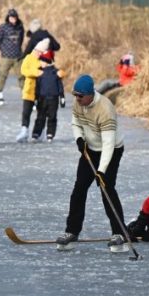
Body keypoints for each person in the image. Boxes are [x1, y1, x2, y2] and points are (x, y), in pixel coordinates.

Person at [55, 75, 128, 251]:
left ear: (89, 94)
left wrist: (101, 171)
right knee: (79, 189)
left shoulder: (105, 108)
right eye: (75, 95)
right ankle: (72, 231)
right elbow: (75, 123)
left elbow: (109, 144)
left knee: (107, 189)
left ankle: (120, 234)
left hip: (111, 150)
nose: (77, 99)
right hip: (90, 150)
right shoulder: (79, 103)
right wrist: (80, 139)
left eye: (80, 96)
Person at [16, 38, 50, 143]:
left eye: (41, 52)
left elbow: (49, 72)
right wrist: (36, 72)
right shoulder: (28, 58)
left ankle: (38, 132)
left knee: (42, 112)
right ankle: (24, 130)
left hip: (42, 90)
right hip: (29, 89)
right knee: (26, 111)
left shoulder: (45, 60)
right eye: (38, 51)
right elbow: (24, 70)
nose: (38, 54)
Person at [30, 52, 65, 142]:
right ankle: (36, 133)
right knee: (40, 116)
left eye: (41, 61)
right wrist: (35, 100)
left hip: (54, 98)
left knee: (52, 116)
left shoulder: (56, 73)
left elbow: (60, 85)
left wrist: (62, 97)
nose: (40, 63)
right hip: (42, 98)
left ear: (46, 62)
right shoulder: (40, 72)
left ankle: (50, 133)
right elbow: (37, 87)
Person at [0, 8, 24, 105]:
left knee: (22, 76)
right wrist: (3, 49)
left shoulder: (20, 27)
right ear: (8, 17)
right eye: (11, 17)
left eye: (14, 17)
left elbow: (21, 40)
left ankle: (25, 95)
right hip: (6, 56)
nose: (13, 19)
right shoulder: (3, 27)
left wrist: (18, 50)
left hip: (18, 56)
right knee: (2, 75)